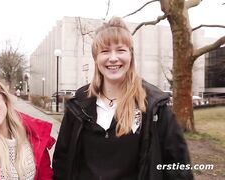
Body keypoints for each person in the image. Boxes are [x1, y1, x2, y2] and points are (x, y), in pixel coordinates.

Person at [52, 16, 193, 180]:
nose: (113, 58)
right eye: (105, 51)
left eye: (120, 50)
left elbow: (179, 167)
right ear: (96, 58)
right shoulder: (78, 106)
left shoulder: (154, 107)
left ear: (131, 55)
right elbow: (61, 162)